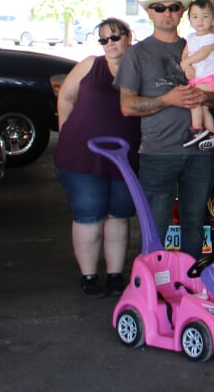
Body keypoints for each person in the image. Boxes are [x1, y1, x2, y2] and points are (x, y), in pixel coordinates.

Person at [117, 0, 214, 260]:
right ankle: (151, 292)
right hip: (158, 154)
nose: (167, 13)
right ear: (150, 13)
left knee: (195, 225)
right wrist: (167, 100)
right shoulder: (137, 53)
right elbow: (126, 106)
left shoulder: (197, 45)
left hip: (199, 153)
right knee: (154, 228)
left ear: (182, 11)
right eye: (159, 8)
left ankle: (190, 288)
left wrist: (202, 98)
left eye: (173, 7)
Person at [55, 17, 141, 298]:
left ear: (128, 36)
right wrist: (66, 130)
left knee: (118, 215)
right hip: (82, 155)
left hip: (125, 157)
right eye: (103, 39)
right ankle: (89, 276)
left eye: (114, 37)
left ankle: (115, 275)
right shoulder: (90, 65)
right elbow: (66, 97)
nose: (109, 44)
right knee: (89, 213)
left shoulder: (141, 66)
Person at [180, 0, 214, 150]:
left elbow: (203, 53)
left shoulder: (211, 38)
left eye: (205, 16)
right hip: (198, 78)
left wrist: (186, 63)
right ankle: (213, 133)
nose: (200, 20)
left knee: (195, 101)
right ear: (190, 20)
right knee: (204, 108)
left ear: (213, 20)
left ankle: (197, 129)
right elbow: (185, 54)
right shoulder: (191, 37)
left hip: (210, 77)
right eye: (195, 17)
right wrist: (185, 66)